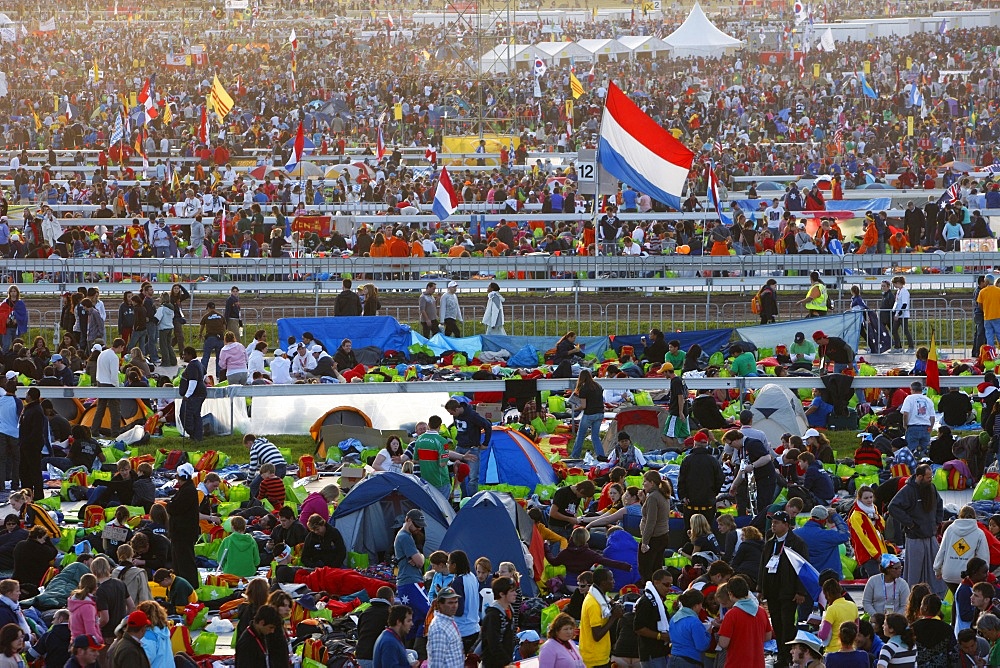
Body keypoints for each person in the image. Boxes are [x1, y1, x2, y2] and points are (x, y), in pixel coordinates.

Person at [759, 511, 810, 668]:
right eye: (772, 522)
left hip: (789, 591)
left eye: (777, 522)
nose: (773, 525)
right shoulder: (770, 543)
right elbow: (762, 567)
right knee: (777, 623)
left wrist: (801, 591)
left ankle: (788, 655)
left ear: (786, 525)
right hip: (773, 591)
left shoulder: (797, 543)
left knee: (787, 624)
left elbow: (803, 568)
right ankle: (782, 655)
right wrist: (761, 588)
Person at [888, 464, 945, 596]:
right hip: (915, 538)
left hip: (930, 537)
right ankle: (912, 597)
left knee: (935, 570)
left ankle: (936, 597)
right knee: (914, 572)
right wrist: (910, 524)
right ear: (919, 477)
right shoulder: (907, 490)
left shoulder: (931, 488)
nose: (930, 479)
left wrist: (938, 521)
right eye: (928, 477)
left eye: (931, 477)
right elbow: (893, 507)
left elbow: (939, 504)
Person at [717, 574, 773, 668]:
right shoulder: (761, 612)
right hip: (758, 663)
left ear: (730, 594)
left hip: (736, 663)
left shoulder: (732, 615)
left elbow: (723, 643)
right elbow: (767, 637)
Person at [935, 505, 990, 595]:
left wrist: (937, 569)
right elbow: (983, 556)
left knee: (956, 598)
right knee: (967, 600)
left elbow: (942, 551)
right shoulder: (979, 533)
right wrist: (985, 574)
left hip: (949, 573)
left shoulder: (950, 529)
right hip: (968, 575)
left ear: (959, 516)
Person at [444, 398, 492, 496]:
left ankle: (471, 499)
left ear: (457, 409)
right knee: (459, 475)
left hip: (472, 449)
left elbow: (487, 425)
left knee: (473, 477)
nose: (451, 415)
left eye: (451, 413)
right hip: (460, 447)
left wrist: (485, 443)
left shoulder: (472, 415)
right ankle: (463, 497)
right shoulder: (457, 416)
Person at [393, 510, 429, 637]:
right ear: (408, 520)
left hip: (406, 582)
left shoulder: (403, 536)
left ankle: (413, 649)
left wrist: (418, 557)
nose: (419, 528)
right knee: (428, 613)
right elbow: (419, 562)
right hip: (411, 581)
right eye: (416, 525)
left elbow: (417, 560)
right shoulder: (405, 537)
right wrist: (421, 556)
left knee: (414, 619)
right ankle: (420, 647)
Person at [579, 568, 623, 668]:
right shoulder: (593, 604)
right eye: (611, 579)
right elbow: (597, 635)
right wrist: (614, 617)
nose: (614, 582)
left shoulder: (599, 596)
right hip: (595, 659)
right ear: (603, 583)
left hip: (601, 655)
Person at [677, 433, 724, 528]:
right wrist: (713, 493)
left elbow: (681, 480)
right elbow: (720, 478)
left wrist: (683, 496)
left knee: (690, 532)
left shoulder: (687, 460)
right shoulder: (712, 461)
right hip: (708, 503)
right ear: (706, 444)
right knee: (707, 531)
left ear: (695, 443)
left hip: (690, 503)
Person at [165, 463, 200, 586]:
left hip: (183, 534)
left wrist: (169, 504)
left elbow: (174, 508)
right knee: (180, 562)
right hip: (182, 533)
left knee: (185, 563)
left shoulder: (187, 491)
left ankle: (189, 586)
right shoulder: (188, 489)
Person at [794, 505, 850, 578]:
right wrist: (835, 516)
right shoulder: (827, 535)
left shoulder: (796, 533)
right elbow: (845, 534)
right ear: (824, 520)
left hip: (806, 577)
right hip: (829, 577)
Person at [632, 569, 671, 667]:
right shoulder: (646, 601)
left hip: (661, 652)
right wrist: (660, 636)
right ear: (656, 583)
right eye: (666, 584)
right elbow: (638, 628)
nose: (669, 588)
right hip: (651, 654)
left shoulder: (658, 601)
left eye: (670, 585)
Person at [639, 470, 672, 583]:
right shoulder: (663, 494)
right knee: (657, 568)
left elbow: (651, 521)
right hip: (663, 535)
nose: (643, 484)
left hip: (653, 537)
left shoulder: (653, 497)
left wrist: (645, 542)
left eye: (645, 482)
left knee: (646, 570)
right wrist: (643, 500)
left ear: (652, 483)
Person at [849, 485, 889, 578]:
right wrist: (875, 554)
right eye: (866, 498)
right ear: (860, 499)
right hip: (867, 554)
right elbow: (862, 538)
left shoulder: (873, 509)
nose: (869, 500)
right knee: (876, 579)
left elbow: (882, 527)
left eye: (871, 497)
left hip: (879, 551)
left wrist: (878, 518)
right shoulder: (856, 516)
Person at [91, 338, 125, 438]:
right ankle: (115, 433)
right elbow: (114, 375)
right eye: (122, 348)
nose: (122, 351)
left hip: (100, 382)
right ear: (120, 346)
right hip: (110, 385)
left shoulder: (102, 353)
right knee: (115, 411)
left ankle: (95, 431)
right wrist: (117, 386)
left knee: (100, 409)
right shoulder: (114, 357)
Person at [668, 588, 710, 667]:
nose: (702, 607)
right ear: (696, 605)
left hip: (673, 660)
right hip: (689, 662)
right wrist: (708, 633)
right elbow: (702, 646)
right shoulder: (694, 622)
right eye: (701, 604)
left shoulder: (674, 618)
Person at [911, 594, 956, 667]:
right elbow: (954, 654)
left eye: (921, 604)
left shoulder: (913, 628)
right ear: (938, 610)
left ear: (925, 608)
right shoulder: (947, 629)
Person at [480, 577, 516, 668]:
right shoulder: (493, 615)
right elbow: (493, 644)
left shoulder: (509, 610)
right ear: (502, 594)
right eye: (512, 591)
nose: (515, 594)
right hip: (493, 663)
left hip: (506, 661)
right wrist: (506, 662)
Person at [356, 586, 395, 668]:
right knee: (412, 654)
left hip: (360, 656)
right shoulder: (390, 613)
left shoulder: (365, 612)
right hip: (375, 658)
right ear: (391, 598)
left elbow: (359, 633)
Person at [16, 388, 44, 501]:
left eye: (27, 394)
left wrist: (26, 441)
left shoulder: (36, 411)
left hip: (32, 446)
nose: (25, 396)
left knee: (34, 471)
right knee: (24, 471)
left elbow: (36, 431)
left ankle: (37, 496)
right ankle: (26, 494)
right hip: (25, 445)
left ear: (31, 396)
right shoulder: (28, 409)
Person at [427, 587, 465, 668]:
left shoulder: (449, 620)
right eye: (450, 603)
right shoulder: (439, 628)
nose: (454, 606)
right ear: (440, 604)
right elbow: (436, 663)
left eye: (456, 602)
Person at [571, 369, 604, 459]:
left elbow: (583, 406)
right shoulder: (598, 386)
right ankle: (601, 455)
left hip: (589, 414)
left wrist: (574, 409)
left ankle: (575, 455)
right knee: (595, 436)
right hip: (600, 413)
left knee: (581, 435)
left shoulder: (584, 389)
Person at [900, 381, 936, 458]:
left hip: (913, 427)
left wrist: (905, 424)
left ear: (912, 389)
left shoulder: (909, 398)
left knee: (912, 452)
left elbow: (905, 413)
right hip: (926, 427)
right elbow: (932, 417)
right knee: (925, 453)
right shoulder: (928, 400)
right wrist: (931, 427)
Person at [178, 347, 206, 441]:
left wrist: (187, 395)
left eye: (185, 354)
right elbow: (205, 376)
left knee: (185, 414)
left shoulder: (192, 365)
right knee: (196, 415)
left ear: (190, 355)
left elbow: (193, 381)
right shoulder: (198, 363)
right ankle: (197, 437)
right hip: (200, 393)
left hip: (194, 395)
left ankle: (193, 434)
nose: (183, 356)